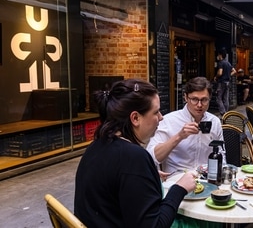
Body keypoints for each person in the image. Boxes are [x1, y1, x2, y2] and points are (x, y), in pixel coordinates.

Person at [74, 79, 197, 227]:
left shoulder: (97, 145)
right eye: (156, 112)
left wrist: (144, 176)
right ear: (135, 118)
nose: (161, 117)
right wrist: (180, 188)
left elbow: (114, 180)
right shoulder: (133, 157)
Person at [147, 77, 224, 173]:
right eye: (194, 99)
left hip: (207, 179)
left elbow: (221, 154)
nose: (199, 105)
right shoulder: (168, 120)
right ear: (186, 97)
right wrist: (179, 136)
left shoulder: (214, 121)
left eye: (204, 100)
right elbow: (152, 157)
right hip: (177, 179)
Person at [214, 49, 236, 115]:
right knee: (225, 98)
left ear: (220, 55)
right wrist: (228, 75)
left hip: (221, 82)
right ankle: (226, 112)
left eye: (218, 55)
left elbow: (220, 73)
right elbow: (234, 71)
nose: (217, 56)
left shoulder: (221, 63)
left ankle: (223, 112)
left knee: (219, 98)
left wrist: (216, 77)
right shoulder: (228, 63)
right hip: (228, 82)